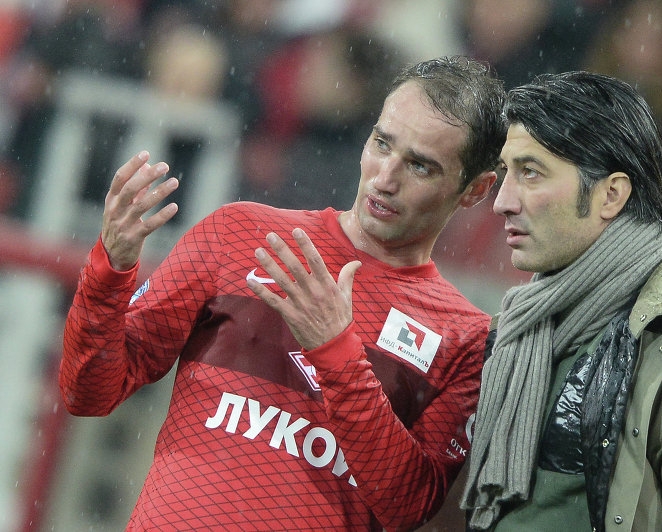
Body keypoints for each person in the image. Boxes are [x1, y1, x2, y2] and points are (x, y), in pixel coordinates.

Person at [59, 56, 506, 531]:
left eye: (419, 166)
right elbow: (88, 392)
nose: (385, 178)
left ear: (475, 190)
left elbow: (408, 505)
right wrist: (109, 272)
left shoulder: (465, 340)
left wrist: (336, 354)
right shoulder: (237, 233)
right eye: (382, 144)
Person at [460, 71, 662, 531]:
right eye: (505, 173)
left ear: (611, 194)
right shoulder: (520, 328)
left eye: (531, 173)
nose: (503, 201)